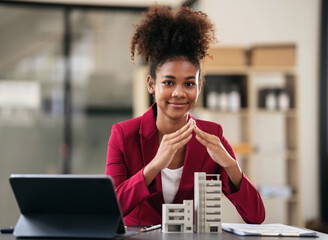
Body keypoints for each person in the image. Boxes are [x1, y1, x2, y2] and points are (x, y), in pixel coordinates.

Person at [106, 5, 265, 226]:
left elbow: (256, 216)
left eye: (189, 83)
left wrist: (230, 165)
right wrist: (153, 168)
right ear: (151, 84)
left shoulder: (212, 135)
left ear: (199, 86)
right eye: (169, 82)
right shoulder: (124, 135)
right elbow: (110, 210)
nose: (179, 93)